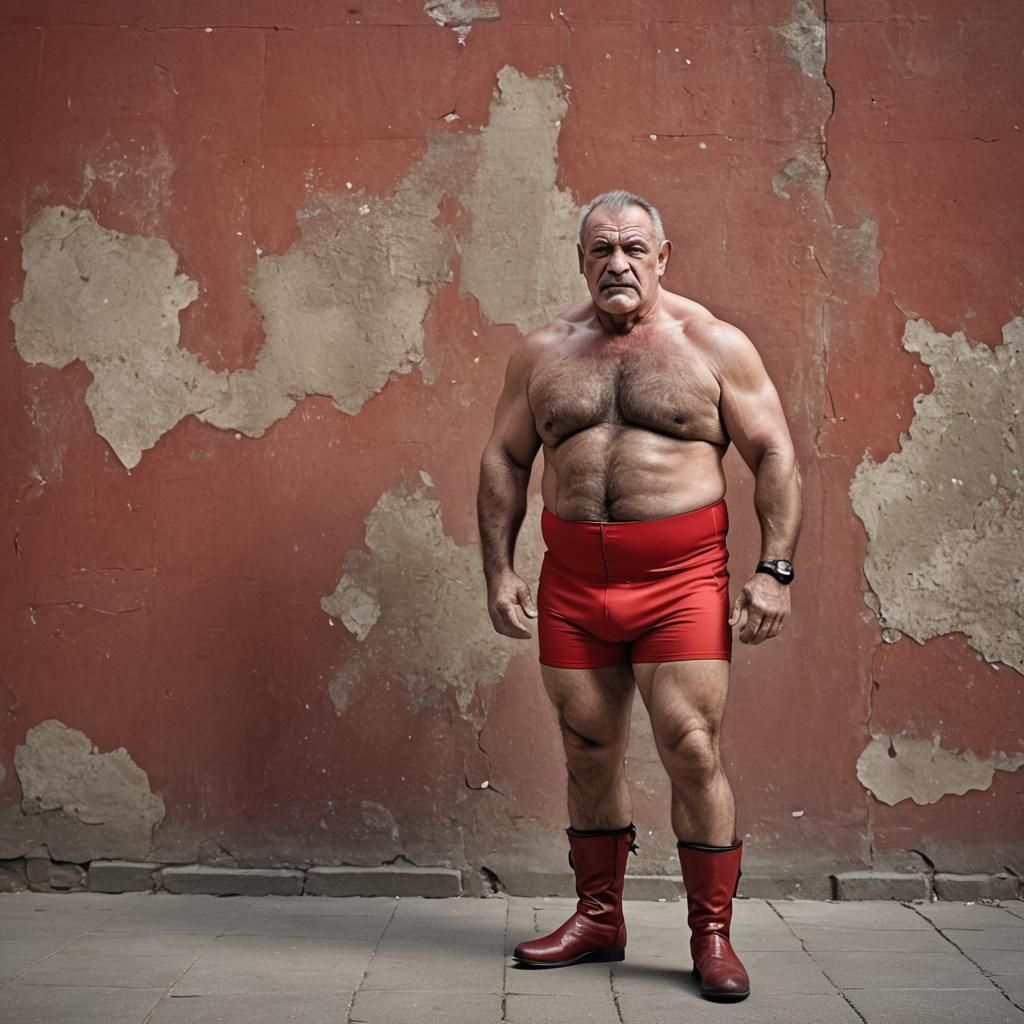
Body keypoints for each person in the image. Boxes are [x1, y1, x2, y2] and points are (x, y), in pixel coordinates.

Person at [476, 190, 802, 1002]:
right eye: (601, 250)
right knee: (587, 746)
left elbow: (773, 454)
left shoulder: (713, 345)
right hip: (573, 583)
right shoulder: (543, 352)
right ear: (580, 260)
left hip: (679, 580)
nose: (617, 263)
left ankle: (711, 936)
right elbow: (505, 459)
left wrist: (775, 571)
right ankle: (598, 918)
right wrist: (499, 570)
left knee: (691, 745)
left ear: (663, 256)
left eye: (632, 248)